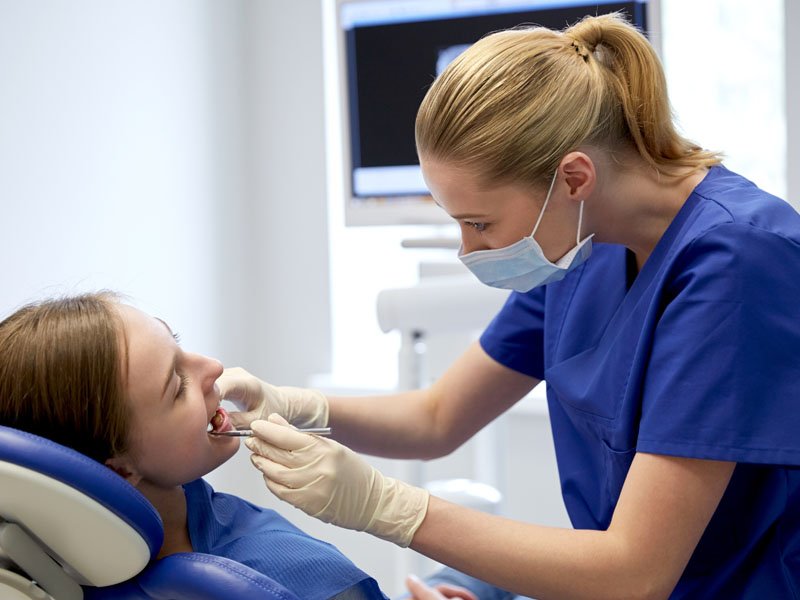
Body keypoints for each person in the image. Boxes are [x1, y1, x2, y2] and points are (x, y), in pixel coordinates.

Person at [220, 11, 800, 600]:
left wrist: (385, 508)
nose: (469, 249)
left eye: (480, 222)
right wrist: (296, 405)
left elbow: (635, 572)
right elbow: (438, 417)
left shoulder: (738, 259)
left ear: (574, 177)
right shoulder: (582, 242)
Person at [0, 292, 388, 600]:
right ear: (119, 469)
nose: (214, 366)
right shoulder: (298, 572)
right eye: (177, 385)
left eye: (179, 344)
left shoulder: (36, 571)